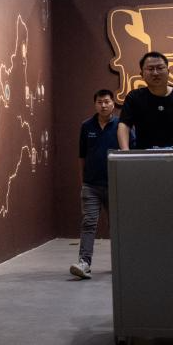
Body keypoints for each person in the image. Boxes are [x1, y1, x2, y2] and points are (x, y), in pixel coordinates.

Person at [69, 89, 118, 279]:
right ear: (95, 104)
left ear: (113, 103)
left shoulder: (121, 125)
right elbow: (82, 155)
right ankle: (84, 263)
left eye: (106, 101)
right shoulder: (86, 126)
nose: (103, 105)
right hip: (91, 186)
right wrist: (83, 181)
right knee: (88, 223)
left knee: (117, 226)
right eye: (99, 102)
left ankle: (120, 262)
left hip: (115, 184)